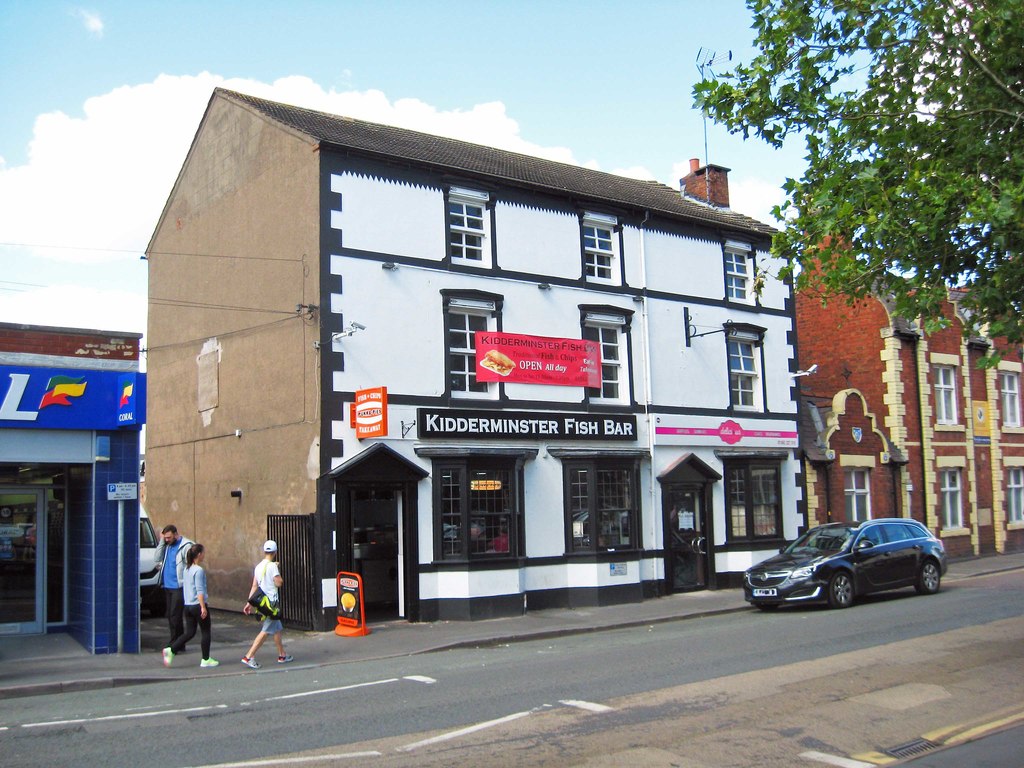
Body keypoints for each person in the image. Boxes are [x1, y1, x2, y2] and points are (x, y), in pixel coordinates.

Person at [163, 543, 218, 668]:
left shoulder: (187, 569)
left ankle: (171, 650)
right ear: (199, 554)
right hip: (197, 605)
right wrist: (203, 606)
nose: (204, 555)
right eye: (203, 553)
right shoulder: (198, 570)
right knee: (205, 632)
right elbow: (200, 590)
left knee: (190, 632)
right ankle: (205, 659)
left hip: (188, 605)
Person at [240, 539, 293, 669]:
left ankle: (282, 654)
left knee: (277, 629)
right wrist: (278, 572)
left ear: (264, 551)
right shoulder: (273, 566)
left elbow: (254, 586)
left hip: (263, 603)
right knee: (265, 631)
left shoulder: (258, 567)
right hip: (272, 604)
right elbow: (279, 582)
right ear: (275, 552)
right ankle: (249, 656)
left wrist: (249, 603)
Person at [153, 523, 194, 650]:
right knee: (170, 615)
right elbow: (156, 557)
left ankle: (174, 643)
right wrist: (161, 542)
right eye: (165, 538)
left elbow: (191, 564)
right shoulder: (166, 545)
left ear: (176, 534)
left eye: (169, 537)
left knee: (175, 615)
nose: (167, 540)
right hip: (167, 585)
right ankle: (179, 643)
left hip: (178, 586)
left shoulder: (186, 546)